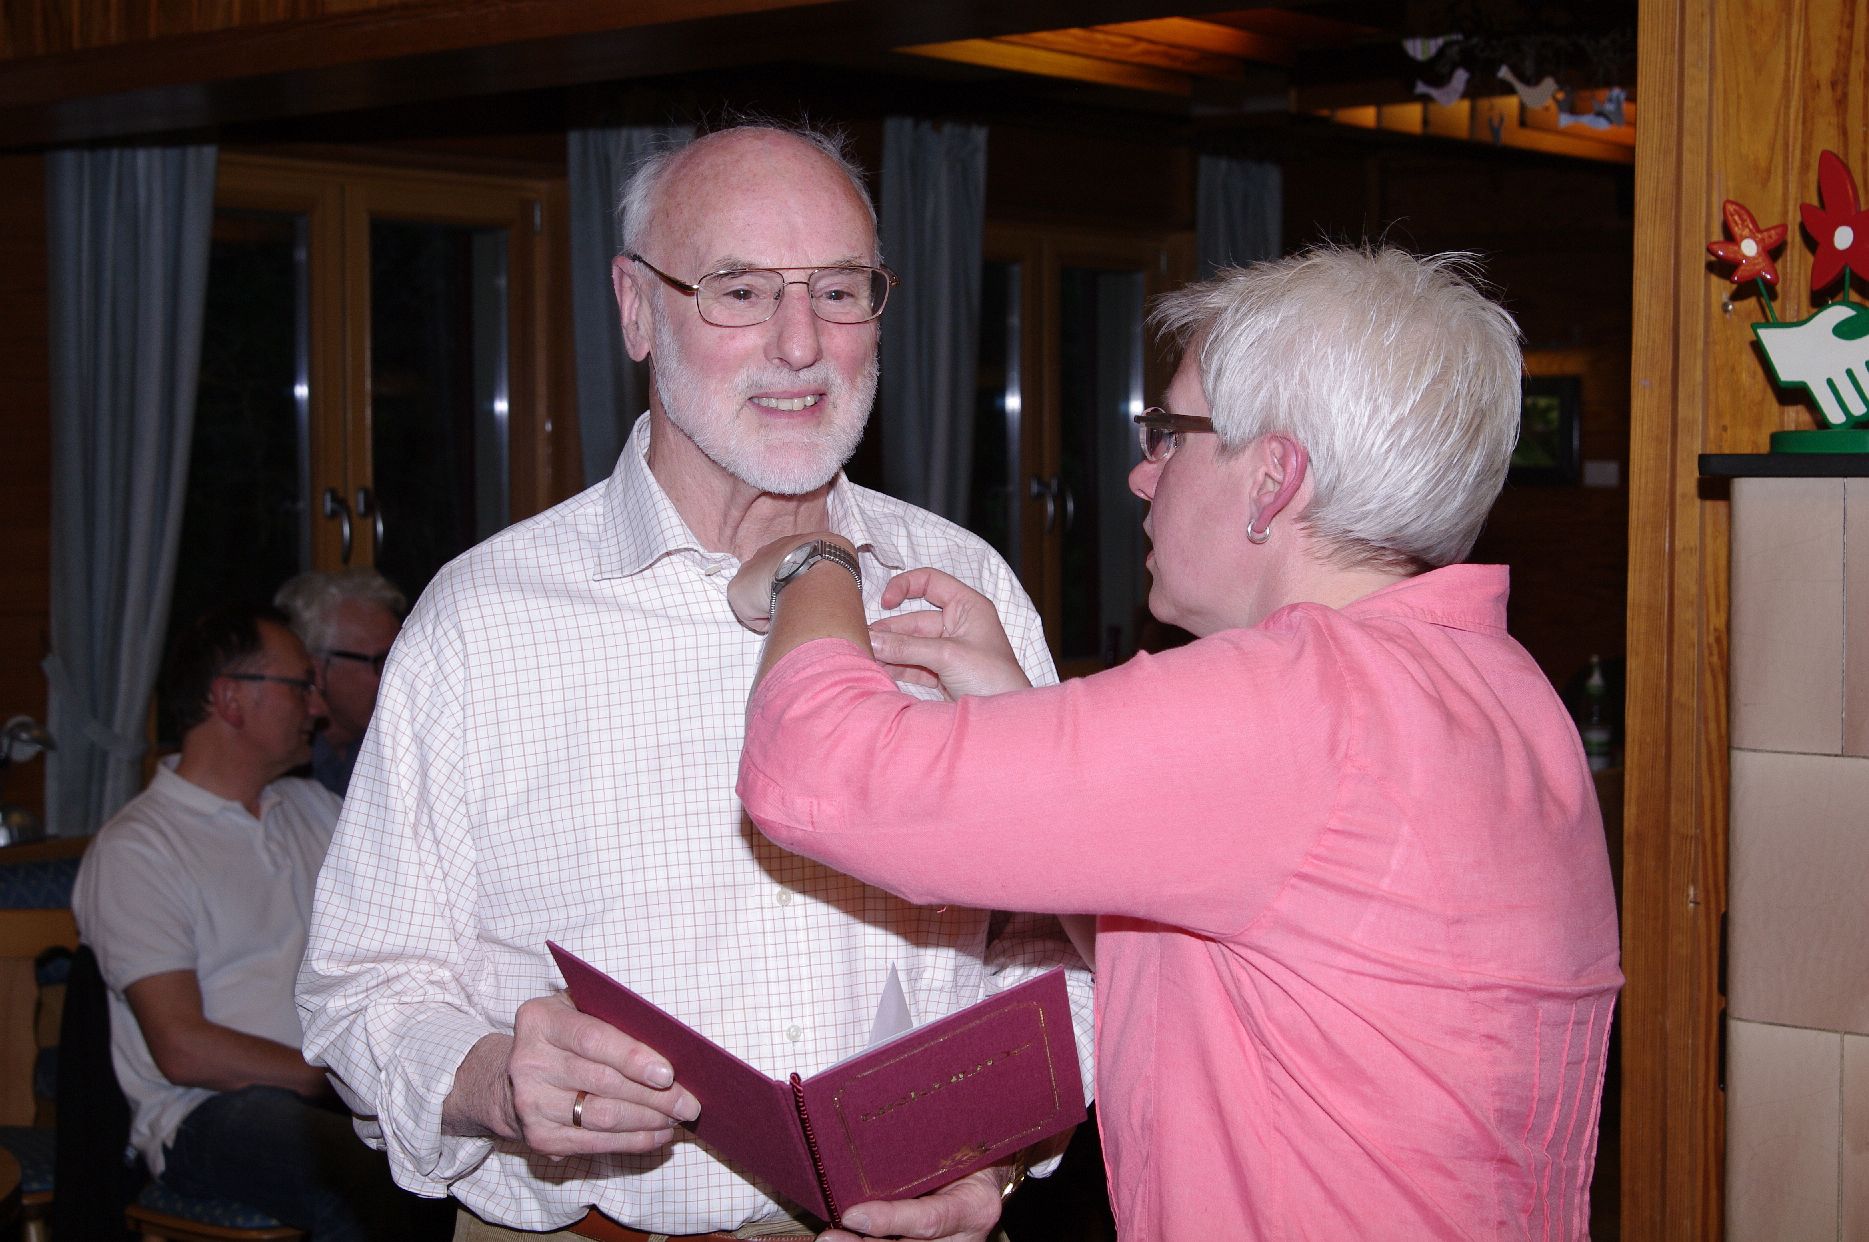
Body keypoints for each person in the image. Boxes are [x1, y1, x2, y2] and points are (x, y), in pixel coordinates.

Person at [296, 123, 1091, 1242]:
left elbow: (1069, 950)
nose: (800, 345)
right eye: (740, 292)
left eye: (838, 291)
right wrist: (490, 1078)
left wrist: (997, 1161)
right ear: (636, 308)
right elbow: (360, 990)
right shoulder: (484, 623)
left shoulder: (966, 589)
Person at [731, 246, 1625, 1240]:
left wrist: (816, 563)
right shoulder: (1500, 688)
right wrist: (1011, 702)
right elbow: (1198, 974)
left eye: (1171, 435)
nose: (1141, 472)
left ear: (1273, 480)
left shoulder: (1293, 706)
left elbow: (815, 771)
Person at [70, 604, 449, 1241]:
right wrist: (345, 1075)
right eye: (301, 686)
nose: (318, 707)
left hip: (327, 1093)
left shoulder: (313, 808)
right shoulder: (139, 848)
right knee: (374, 1177)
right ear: (230, 700)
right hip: (210, 1111)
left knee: (462, 1149)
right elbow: (183, 1048)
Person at [273, 567, 406, 796]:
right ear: (317, 670)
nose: (397, 676)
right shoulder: (280, 766)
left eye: (399, 659)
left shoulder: (394, 750)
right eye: (381, 661)